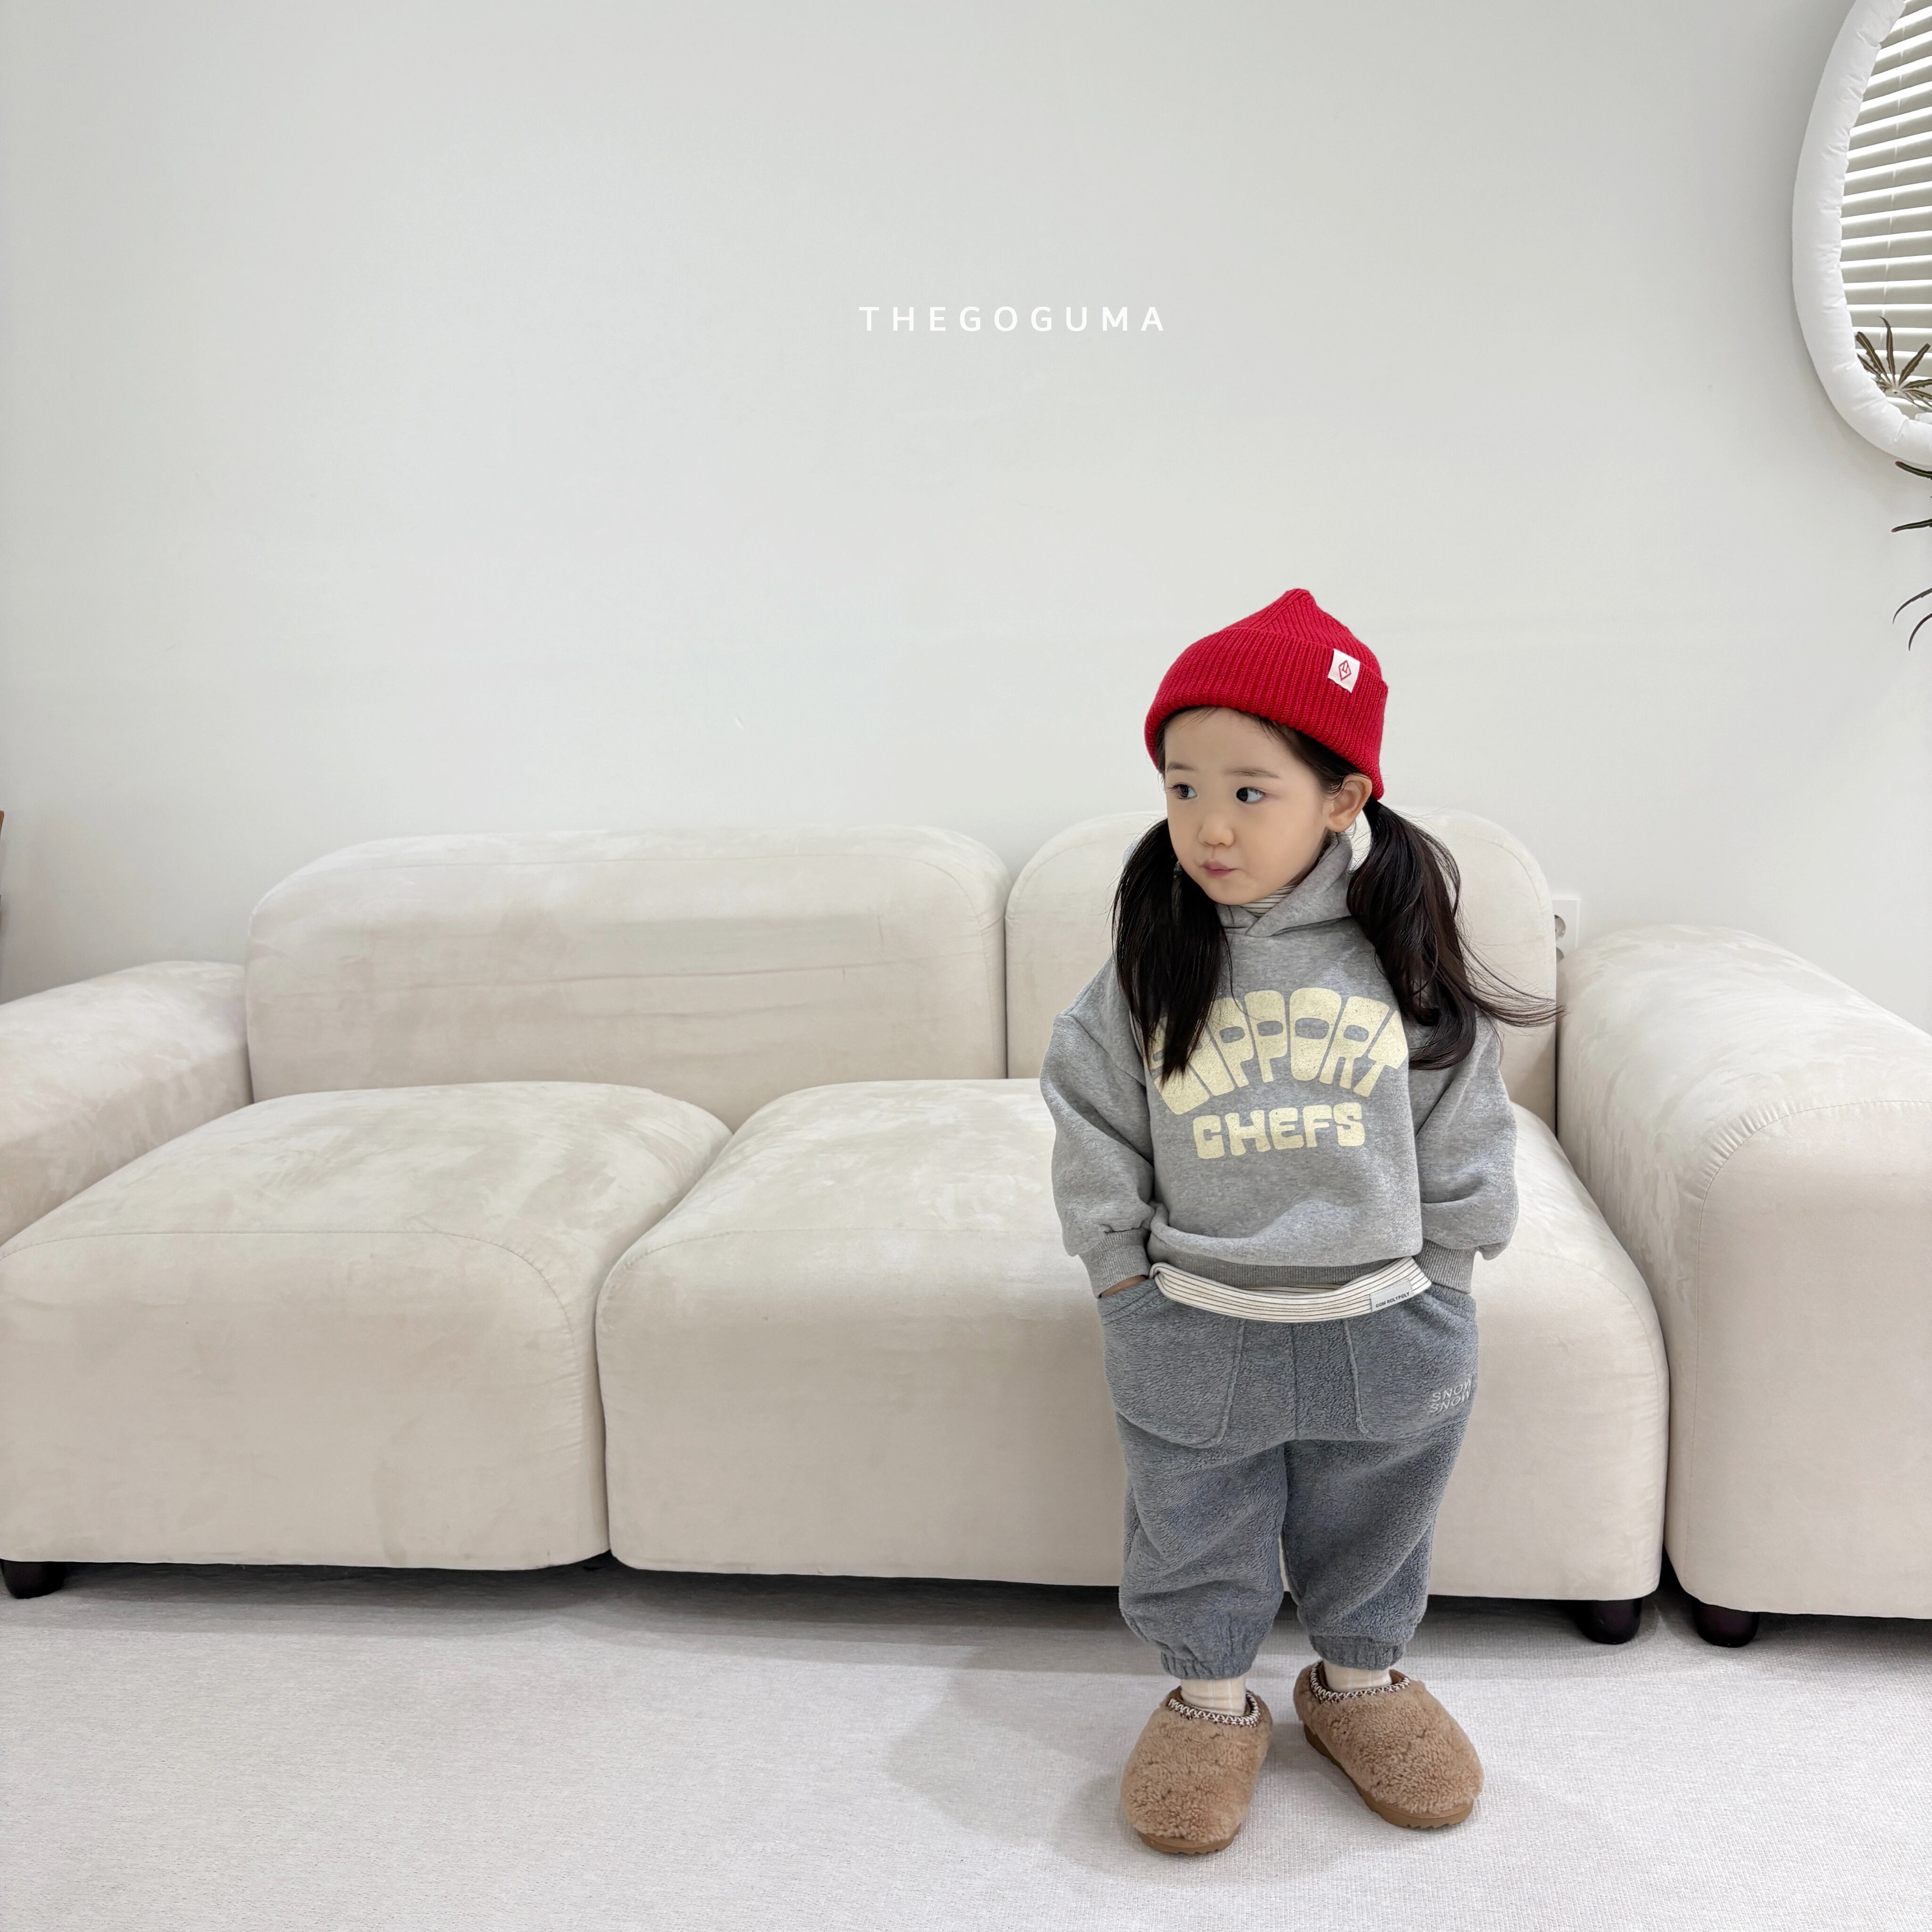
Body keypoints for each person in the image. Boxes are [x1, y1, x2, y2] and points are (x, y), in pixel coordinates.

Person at [1039, 587, 1552, 1855]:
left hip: (1387, 1314)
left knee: (1377, 1517)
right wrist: (1120, 1279)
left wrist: (1447, 1274)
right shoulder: (1151, 963)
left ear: (1341, 797)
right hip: (1193, 1315)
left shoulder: (1400, 959)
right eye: (1182, 788)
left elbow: (1466, 1120)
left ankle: (1358, 1683)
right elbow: (1092, 1116)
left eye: (1248, 791)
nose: (1208, 826)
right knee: (1193, 1520)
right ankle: (1211, 1700)